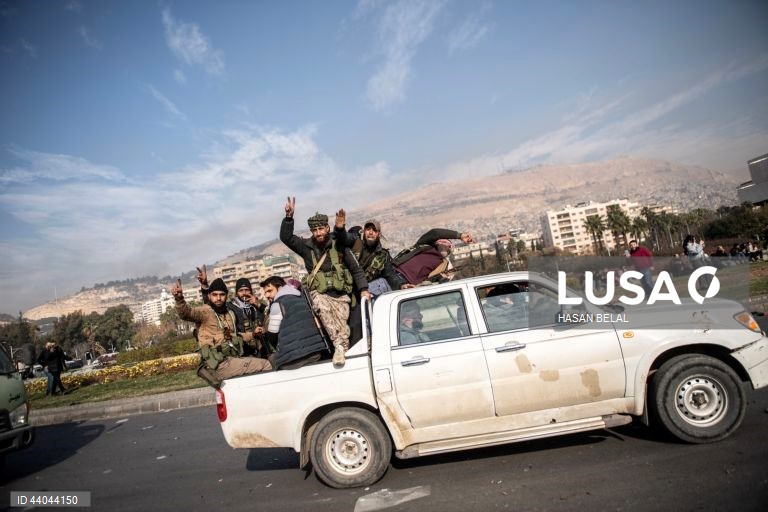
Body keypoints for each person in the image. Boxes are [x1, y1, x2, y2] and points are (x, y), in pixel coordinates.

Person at [280, 197, 370, 366]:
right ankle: (339, 348)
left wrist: (364, 289)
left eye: (321, 228)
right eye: (315, 230)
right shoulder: (306, 247)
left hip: (341, 296)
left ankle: (343, 349)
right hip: (320, 294)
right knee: (323, 309)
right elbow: (286, 237)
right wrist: (289, 218)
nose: (319, 233)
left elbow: (356, 269)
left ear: (327, 228)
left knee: (342, 328)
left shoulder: (339, 245)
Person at [172, 277, 271, 387]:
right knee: (265, 365)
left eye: (222, 295)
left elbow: (235, 336)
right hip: (218, 363)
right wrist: (179, 299)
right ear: (209, 296)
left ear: (226, 296)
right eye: (215, 295)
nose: (218, 298)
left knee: (259, 361)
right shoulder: (205, 312)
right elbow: (186, 313)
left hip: (232, 358)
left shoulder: (229, 313)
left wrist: (253, 334)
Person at [196, 265, 267, 358]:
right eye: (241, 290)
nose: (244, 293)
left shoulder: (255, 306)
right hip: (242, 350)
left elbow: (269, 314)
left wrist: (258, 304)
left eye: (247, 290)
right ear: (237, 292)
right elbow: (211, 305)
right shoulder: (230, 307)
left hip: (260, 349)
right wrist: (205, 286)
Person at [260, 276, 328, 370]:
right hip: (316, 352)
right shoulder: (302, 297)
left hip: (292, 359)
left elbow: (272, 334)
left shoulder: (277, 304)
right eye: (265, 293)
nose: (267, 295)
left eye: (269, 291)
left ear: (279, 288)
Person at [393, 228, 475, 288]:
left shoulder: (443, 264)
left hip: (406, 285)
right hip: (394, 274)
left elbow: (431, 280)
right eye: (448, 244)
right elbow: (435, 233)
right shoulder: (424, 246)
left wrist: (442, 278)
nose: (450, 248)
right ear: (439, 242)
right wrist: (459, 236)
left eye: (451, 248)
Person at [342, 219, 403, 297]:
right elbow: (343, 237)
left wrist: (401, 284)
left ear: (379, 234)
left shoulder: (383, 254)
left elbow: (390, 274)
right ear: (364, 231)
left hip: (364, 290)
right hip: (346, 287)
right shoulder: (354, 242)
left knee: (383, 282)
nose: (371, 232)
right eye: (368, 229)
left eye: (374, 230)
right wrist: (340, 228)